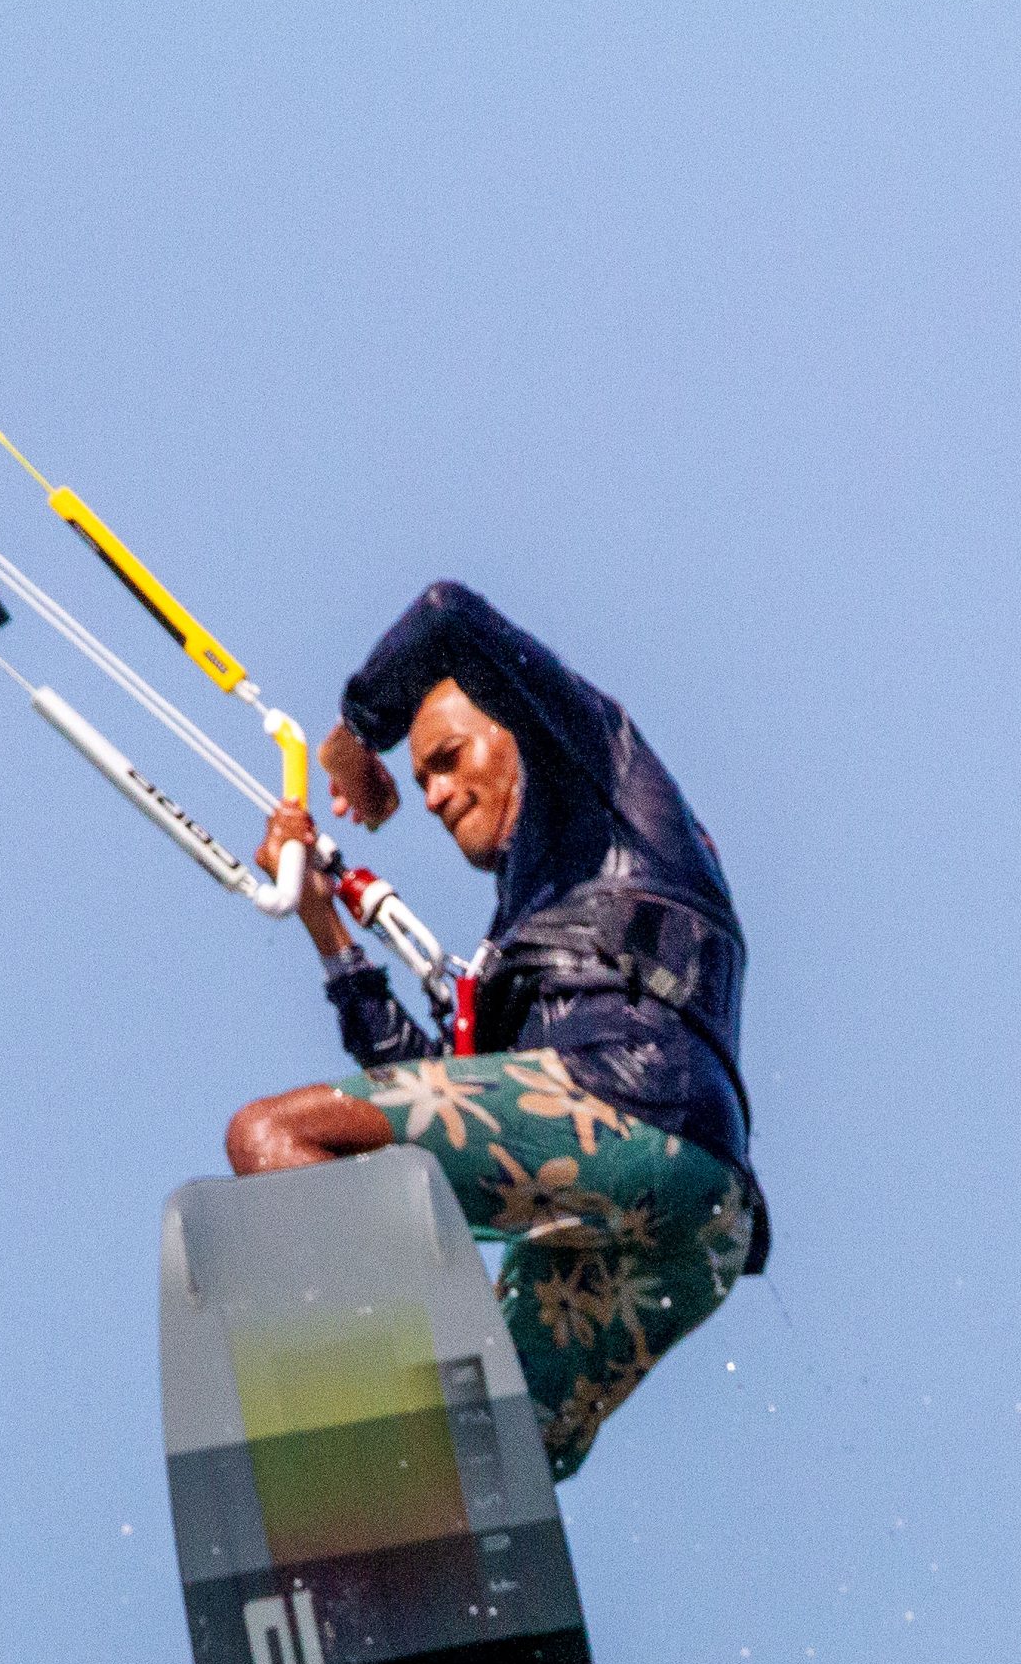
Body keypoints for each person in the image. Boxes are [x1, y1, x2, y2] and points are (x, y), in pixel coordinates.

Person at [226, 582, 767, 1480]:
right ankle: (443, 1518)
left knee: (272, 1138)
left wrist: (356, 734)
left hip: (628, 1112)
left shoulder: (602, 771)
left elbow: (448, 613)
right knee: (485, 1456)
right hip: (696, 1220)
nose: (435, 795)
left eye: (447, 760)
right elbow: (432, 1095)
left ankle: (383, 1412)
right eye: (422, 780)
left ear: (519, 727)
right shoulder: (524, 930)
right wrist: (329, 933)